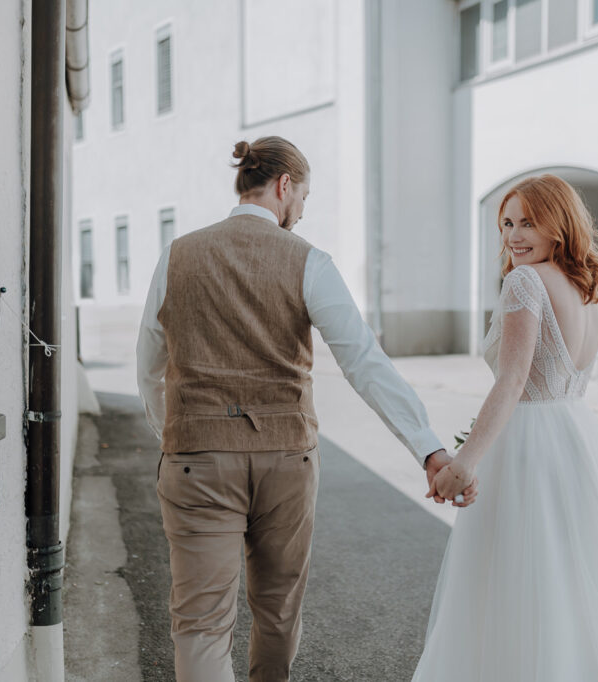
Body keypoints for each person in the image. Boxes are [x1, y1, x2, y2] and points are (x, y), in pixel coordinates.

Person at [136, 135, 476, 682]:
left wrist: (177, 434)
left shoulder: (177, 255)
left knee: (199, 622)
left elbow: (149, 366)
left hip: (196, 460)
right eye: (304, 196)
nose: (301, 210)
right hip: (286, 460)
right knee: (277, 610)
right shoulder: (309, 261)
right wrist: (428, 448)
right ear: (284, 185)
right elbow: (363, 360)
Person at [414, 175, 598, 680]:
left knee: (515, 584)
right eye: (506, 223)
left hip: (527, 446)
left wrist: (463, 463)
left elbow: (513, 380)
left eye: (528, 222)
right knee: (569, 583)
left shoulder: (525, 282)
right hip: (574, 439)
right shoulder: (589, 288)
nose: (514, 235)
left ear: (557, 224)